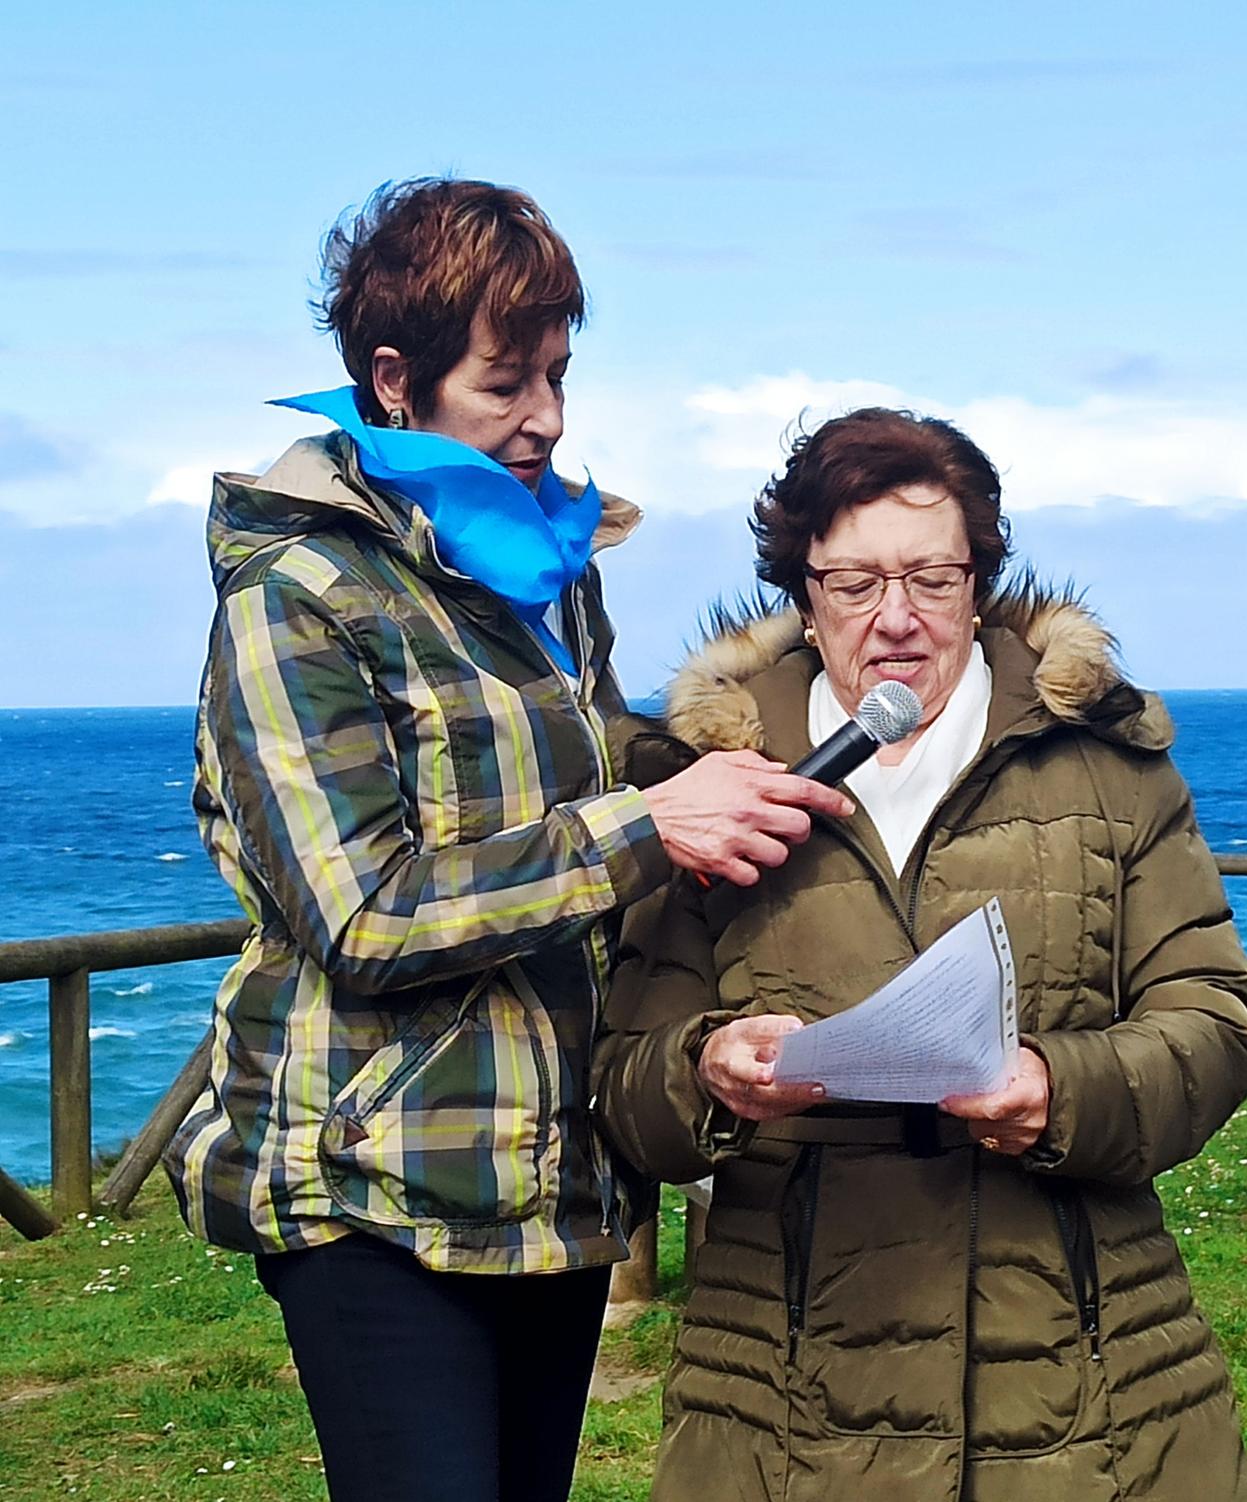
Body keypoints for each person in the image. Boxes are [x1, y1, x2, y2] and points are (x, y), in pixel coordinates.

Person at [163, 177, 849, 1502]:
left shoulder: (549, 574)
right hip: (374, 1186)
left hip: (551, 1179)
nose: (544, 418)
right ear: (394, 381)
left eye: (558, 376)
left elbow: (601, 782)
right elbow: (361, 912)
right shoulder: (294, 597)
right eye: (504, 383)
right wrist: (645, 823)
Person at [594, 407, 1247, 1500]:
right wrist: (706, 1068)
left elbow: (1212, 1024)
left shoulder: (1105, 766)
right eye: (854, 583)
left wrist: (1060, 1086)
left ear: (980, 580)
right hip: (781, 1395)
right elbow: (625, 1084)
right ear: (801, 591)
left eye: (932, 578)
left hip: (1085, 1389)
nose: (896, 619)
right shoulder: (709, 780)